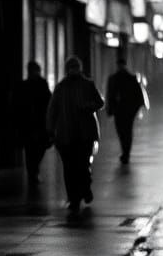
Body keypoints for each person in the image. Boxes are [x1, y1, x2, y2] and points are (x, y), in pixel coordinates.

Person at [46, 55, 105, 214]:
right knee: (70, 168)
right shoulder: (61, 87)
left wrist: (88, 106)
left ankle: (83, 190)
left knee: (82, 166)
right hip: (67, 135)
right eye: (71, 67)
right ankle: (74, 197)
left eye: (75, 67)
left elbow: (100, 102)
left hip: (83, 134)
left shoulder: (87, 85)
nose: (73, 70)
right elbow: (53, 109)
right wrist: (50, 129)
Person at [12, 61, 52, 186]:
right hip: (37, 123)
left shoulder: (25, 85)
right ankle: (33, 172)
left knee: (31, 149)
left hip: (29, 124)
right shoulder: (41, 84)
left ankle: (32, 171)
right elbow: (49, 102)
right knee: (36, 148)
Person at [105, 56, 147, 163]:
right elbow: (139, 96)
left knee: (122, 131)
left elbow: (110, 95)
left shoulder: (114, 79)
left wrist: (110, 109)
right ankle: (126, 152)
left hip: (121, 111)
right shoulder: (130, 78)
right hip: (127, 111)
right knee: (126, 131)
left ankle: (125, 152)